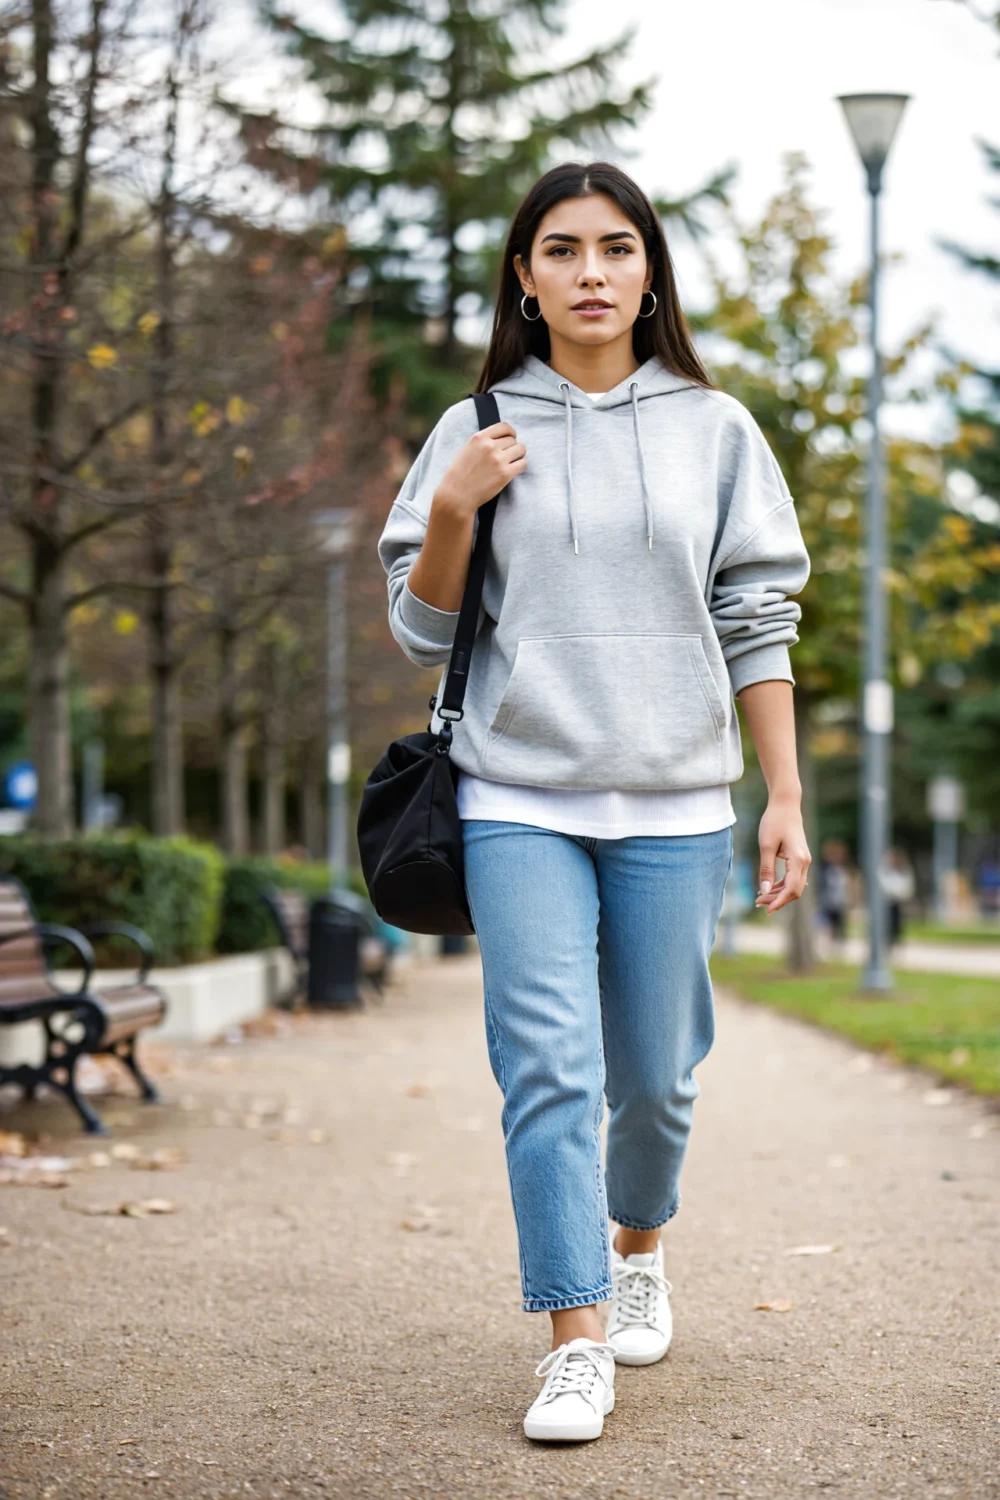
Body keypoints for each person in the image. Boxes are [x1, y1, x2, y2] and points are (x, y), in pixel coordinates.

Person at [377, 161, 811, 1443]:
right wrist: (454, 510)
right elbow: (417, 629)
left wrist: (783, 790)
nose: (589, 274)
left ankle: (637, 1251)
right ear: (524, 275)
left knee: (659, 1078)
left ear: (649, 272)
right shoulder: (472, 429)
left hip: (678, 803)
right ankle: (572, 1335)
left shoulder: (717, 428)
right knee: (546, 1073)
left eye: (615, 250)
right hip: (519, 792)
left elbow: (757, 616)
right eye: (559, 251)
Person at [819, 838, 853, 949]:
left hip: (841, 900)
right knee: (829, 923)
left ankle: (839, 943)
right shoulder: (825, 868)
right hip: (829, 900)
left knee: (841, 923)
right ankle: (831, 943)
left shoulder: (844, 868)